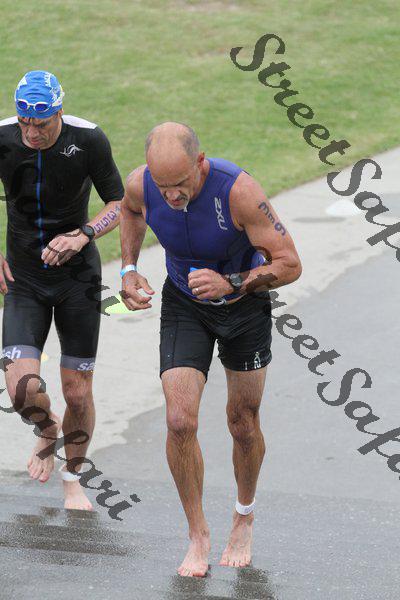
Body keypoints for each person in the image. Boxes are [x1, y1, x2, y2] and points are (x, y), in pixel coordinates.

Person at [119, 121, 302, 577]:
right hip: (186, 305)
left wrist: (231, 282)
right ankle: (197, 532)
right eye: (163, 186)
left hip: (243, 307)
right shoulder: (142, 184)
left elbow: (289, 263)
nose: (171, 196)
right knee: (179, 420)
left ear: (200, 164)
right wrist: (128, 269)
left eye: (180, 184)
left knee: (243, 423)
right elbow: (130, 210)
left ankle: (244, 514)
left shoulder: (237, 191)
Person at [0, 70, 124, 510]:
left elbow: (119, 203)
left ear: (59, 112)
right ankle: (48, 429)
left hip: (77, 281)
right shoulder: (4, 138)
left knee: (77, 392)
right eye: (25, 123)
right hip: (24, 281)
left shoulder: (88, 139)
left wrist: (83, 234)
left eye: (42, 124)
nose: (32, 133)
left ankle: (73, 478)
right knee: (21, 390)